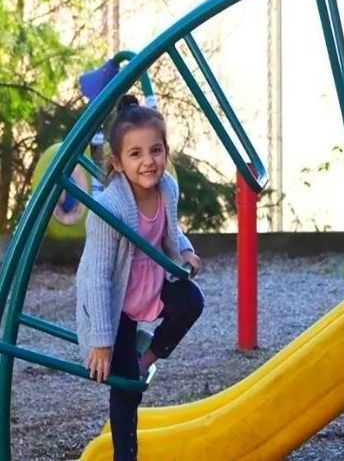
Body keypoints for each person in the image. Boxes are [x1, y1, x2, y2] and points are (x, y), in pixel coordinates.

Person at [76, 94, 204, 461]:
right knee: (127, 386)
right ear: (117, 162)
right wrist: (102, 341)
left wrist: (184, 250)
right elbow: (98, 279)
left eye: (156, 150)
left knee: (191, 301)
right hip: (116, 301)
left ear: (166, 151)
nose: (148, 161)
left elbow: (169, 231)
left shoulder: (167, 189)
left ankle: (149, 355)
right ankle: (125, 456)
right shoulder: (108, 210)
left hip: (148, 280)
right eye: (136, 154)